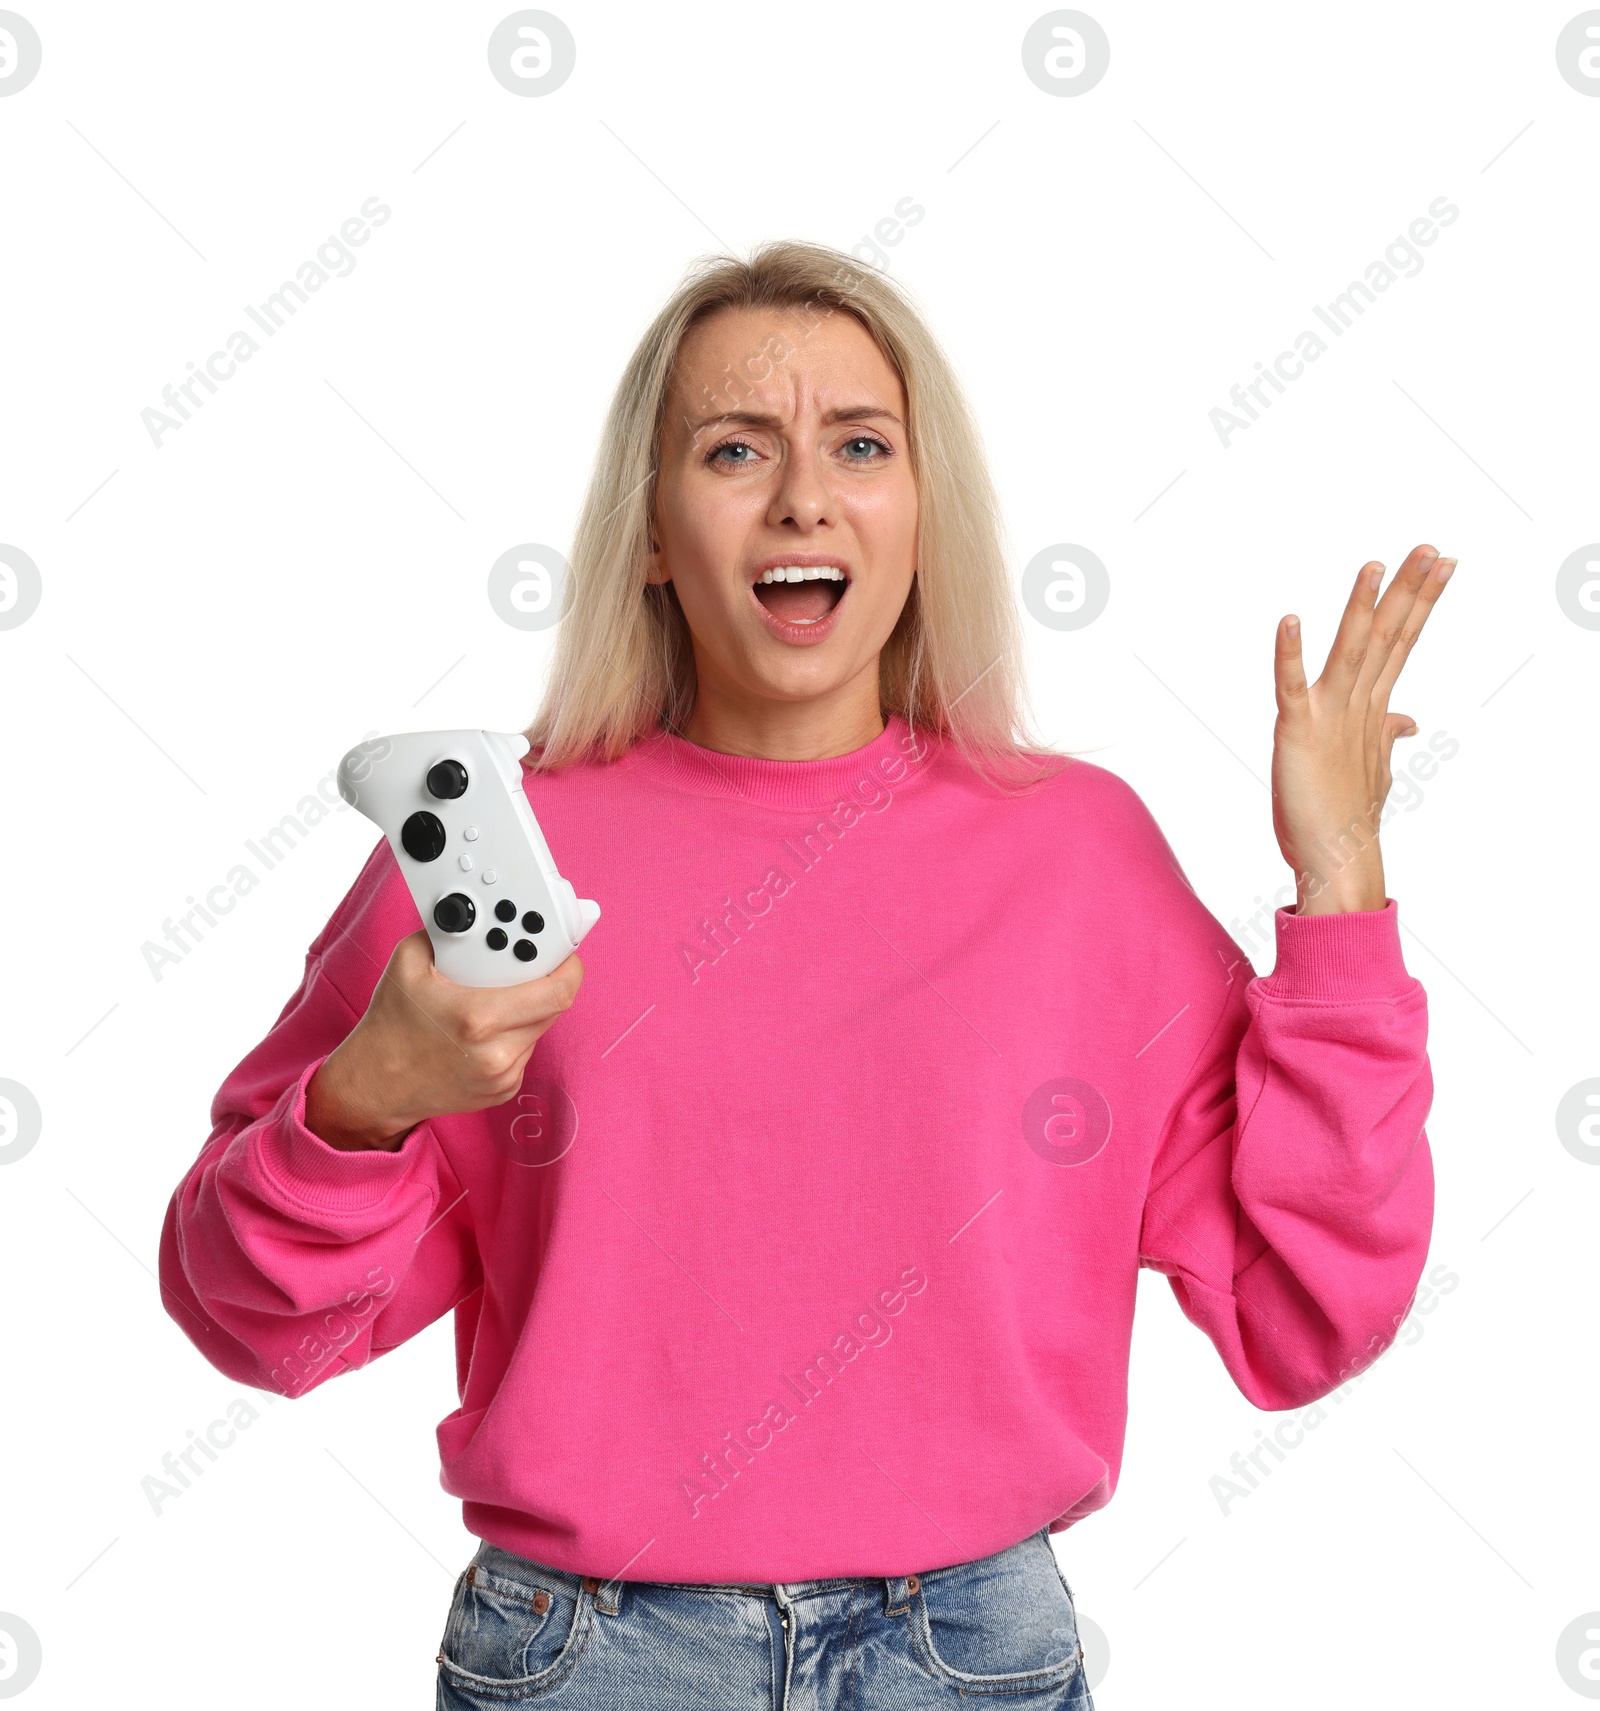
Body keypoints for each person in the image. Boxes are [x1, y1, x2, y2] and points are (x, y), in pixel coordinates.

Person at [159, 239, 1447, 1709]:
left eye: (859, 444)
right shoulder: (494, 858)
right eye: (733, 449)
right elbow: (252, 1325)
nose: (803, 497)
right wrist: (360, 1109)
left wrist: (1341, 889)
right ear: (650, 531)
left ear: (916, 513)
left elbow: (1310, 1307)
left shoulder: (1081, 857)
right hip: (589, 1662)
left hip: (970, 1658)